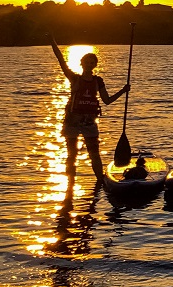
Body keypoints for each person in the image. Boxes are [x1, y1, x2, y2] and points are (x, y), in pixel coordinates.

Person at [49, 35, 130, 183]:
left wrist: (123, 91)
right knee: (71, 155)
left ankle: (100, 181)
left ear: (95, 65)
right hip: (72, 122)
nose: (89, 64)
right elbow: (61, 60)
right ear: (81, 63)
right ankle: (70, 182)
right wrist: (53, 42)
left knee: (94, 154)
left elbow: (107, 100)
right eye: (87, 62)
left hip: (89, 123)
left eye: (92, 63)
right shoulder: (74, 78)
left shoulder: (98, 81)